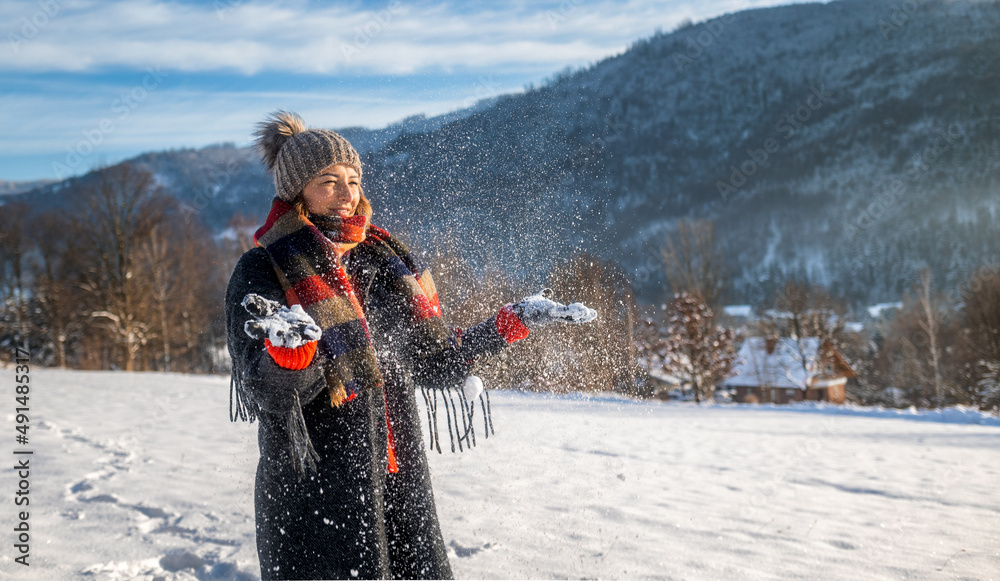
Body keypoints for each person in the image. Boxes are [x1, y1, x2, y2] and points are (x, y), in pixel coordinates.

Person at [226, 111, 596, 580]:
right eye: (328, 181)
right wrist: (292, 357)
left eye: (353, 180)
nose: (347, 194)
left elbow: (435, 361)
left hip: (398, 480)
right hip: (317, 490)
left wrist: (508, 323)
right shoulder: (263, 270)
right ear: (297, 191)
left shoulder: (384, 260)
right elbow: (269, 393)